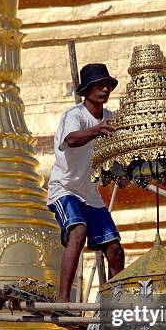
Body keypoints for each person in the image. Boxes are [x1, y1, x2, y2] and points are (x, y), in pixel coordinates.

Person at [47, 63, 125, 301]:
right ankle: (63, 300)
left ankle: (117, 304)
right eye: (98, 85)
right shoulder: (75, 116)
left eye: (107, 85)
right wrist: (96, 130)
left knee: (115, 250)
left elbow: (122, 147)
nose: (104, 89)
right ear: (86, 91)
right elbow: (71, 140)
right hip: (65, 189)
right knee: (78, 232)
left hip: (90, 194)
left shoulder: (111, 118)